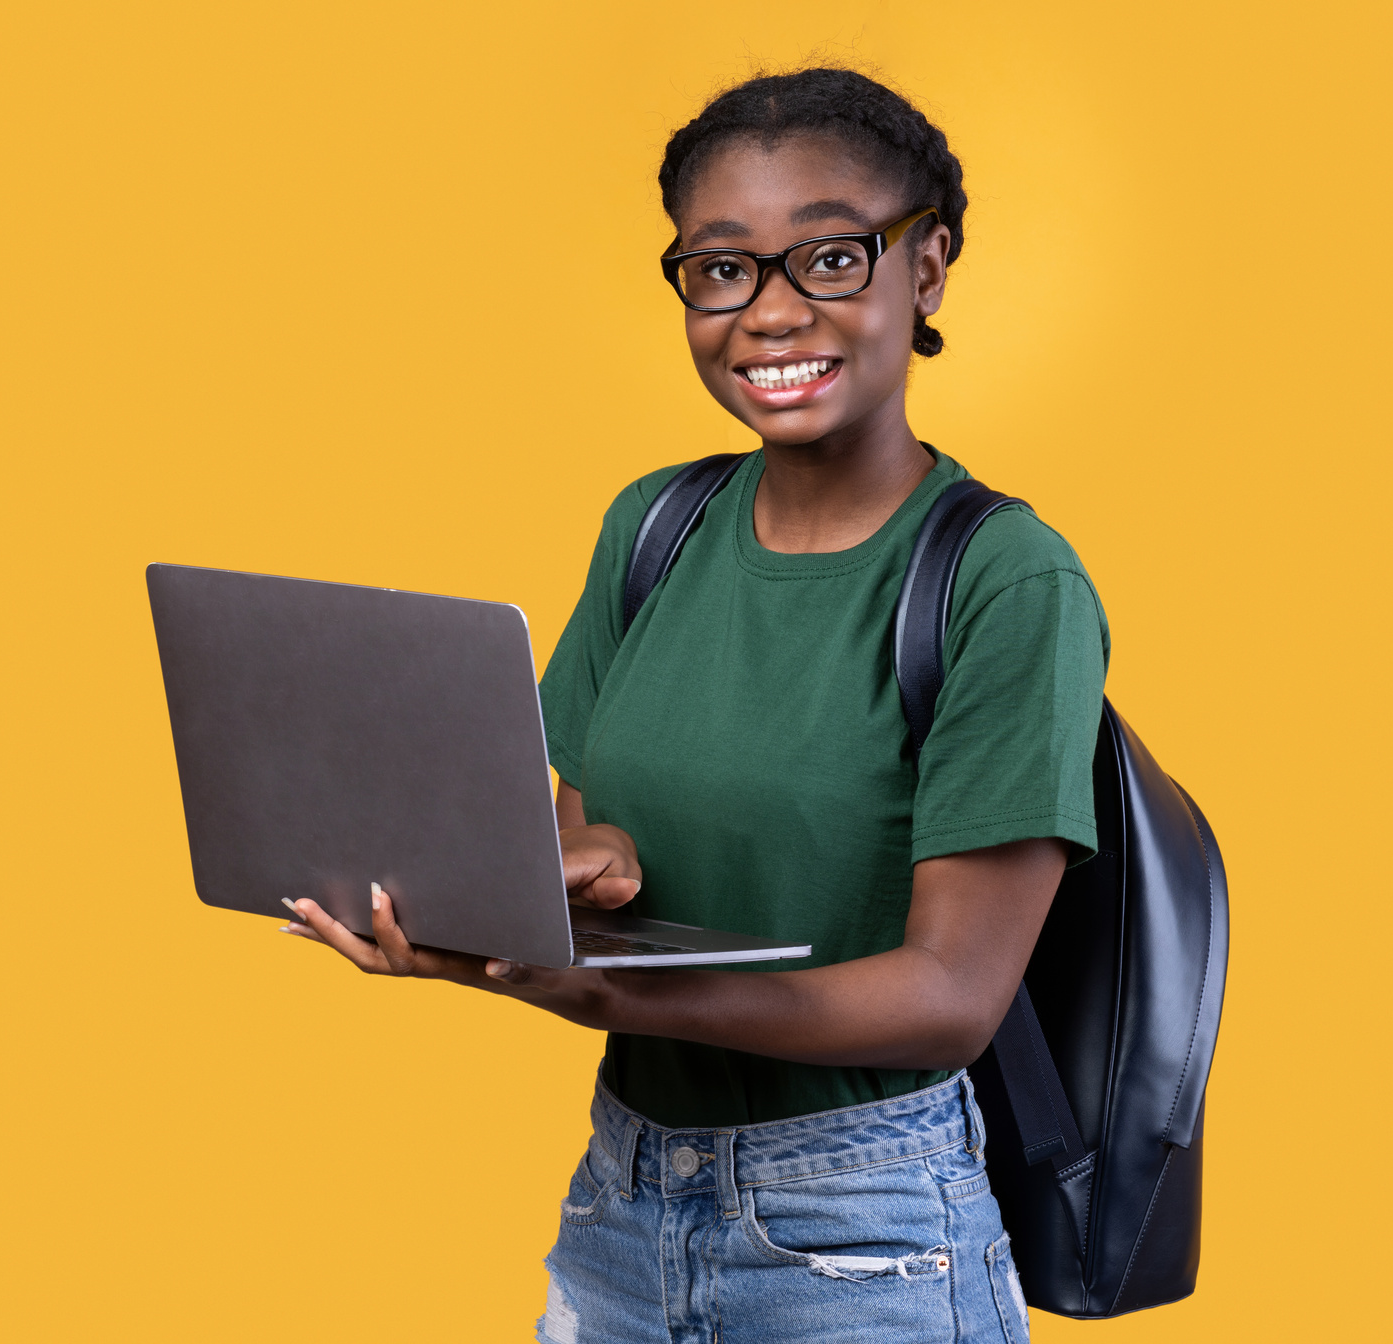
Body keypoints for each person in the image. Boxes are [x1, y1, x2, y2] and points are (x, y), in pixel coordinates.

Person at [283, 67, 1109, 1344]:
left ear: (925, 267)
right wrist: (559, 884)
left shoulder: (1003, 577)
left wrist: (605, 993)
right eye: (722, 270)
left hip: (863, 1231)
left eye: (829, 259)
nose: (770, 314)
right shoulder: (654, 527)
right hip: (623, 1199)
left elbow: (952, 995)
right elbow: (580, 859)